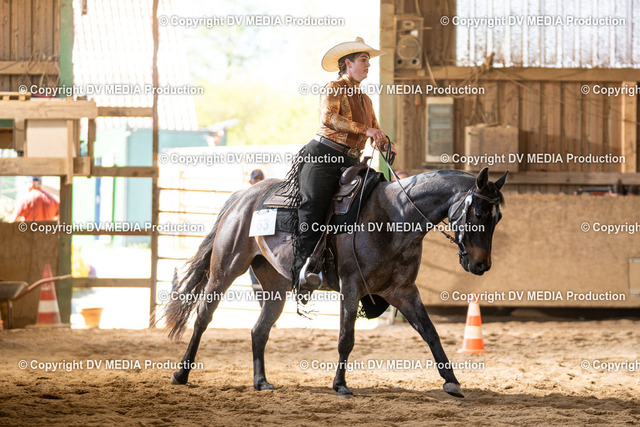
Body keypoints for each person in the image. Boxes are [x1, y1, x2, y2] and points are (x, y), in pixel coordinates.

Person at [288, 37, 397, 294]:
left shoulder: (366, 99)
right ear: (348, 63)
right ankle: (304, 270)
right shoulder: (334, 87)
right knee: (313, 204)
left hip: (351, 161)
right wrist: (366, 130)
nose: (368, 65)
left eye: (368, 61)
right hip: (323, 156)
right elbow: (329, 118)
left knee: (370, 203)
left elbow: (375, 130)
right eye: (363, 60)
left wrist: (385, 143)